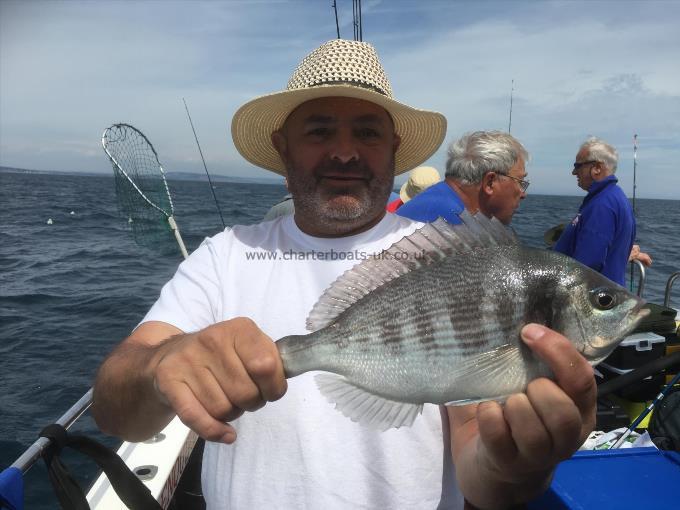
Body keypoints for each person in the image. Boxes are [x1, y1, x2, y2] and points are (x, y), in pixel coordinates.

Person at [91, 39, 596, 509]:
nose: (346, 151)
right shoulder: (223, 256)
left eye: (368, 132)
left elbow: (476, 460)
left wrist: (514, 465)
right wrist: (161, 368)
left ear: (394, 149)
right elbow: (115, 410)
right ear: (282, 147)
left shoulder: (451, 261)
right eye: (320, 130)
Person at [397, 130, 529, 225]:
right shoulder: (452, 226)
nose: (523, 194)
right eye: (520, 181)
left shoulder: (435, 202)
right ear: (490, 182)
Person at [554, 137, 636, 286]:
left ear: (597, 168)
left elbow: (586, 266)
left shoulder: (602, 205)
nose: (574, 172)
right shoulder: (614, 198)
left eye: (578, 166)